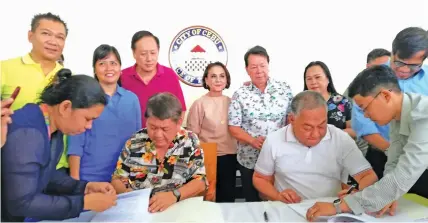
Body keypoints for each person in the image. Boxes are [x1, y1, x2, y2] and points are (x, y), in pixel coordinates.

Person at [306, 65, 428, 221]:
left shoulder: (423, 116)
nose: (365, 115)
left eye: (364, 107)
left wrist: (339, 206)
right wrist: (383, 196)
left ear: (385, 96)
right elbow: (394, 162)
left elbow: (404, 174)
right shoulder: (398, 116)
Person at [1, 69, 117, 221]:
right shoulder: (28, 134)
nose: (89, 126)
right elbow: (21, 203)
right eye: (88, 119)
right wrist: (83, 203)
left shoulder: (50, 126)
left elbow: (44, 175)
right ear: (65, 107)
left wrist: (84, 187)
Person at [253, 91, 377, 203]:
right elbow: (260, 178)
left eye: (322, 126)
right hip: (288, 208)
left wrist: (356, 194)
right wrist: (278, 196)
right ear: (292, 119)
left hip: (330, 207)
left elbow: (368, 176)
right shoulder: (274, 140)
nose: (316, 134)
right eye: (307, 128)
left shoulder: (341, 139)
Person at [111, 93, 207, 213]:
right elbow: (117, 178)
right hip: (139, 211)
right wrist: (127, 195)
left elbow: (200, 181)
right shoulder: (135, 141)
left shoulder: (190, 140)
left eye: (165, 129)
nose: (158, 135)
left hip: (175, 208)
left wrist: (174, 195)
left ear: (178, 123)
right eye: (152, 127)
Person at [228, 45, 294, 202]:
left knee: (279, 202)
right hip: (249, 160)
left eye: (262, 66)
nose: (259, 71)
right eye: (254, 67)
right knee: (253, 204)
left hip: (280, 160)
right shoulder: (240, 94)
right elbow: (233, 127)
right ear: (247, 69)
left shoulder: (284, 89)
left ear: (268, 65)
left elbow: (292, 120)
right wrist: (252, 140)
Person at [68, 44, 141, 182]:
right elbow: (75, 145)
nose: (109, 68)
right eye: (102, 63)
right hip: (90, 178)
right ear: (94, 70)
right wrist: (74, 181)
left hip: (125, 178)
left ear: (120, 68)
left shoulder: (132, 99)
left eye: (113, 63)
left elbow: (138, 142)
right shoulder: (84, 99)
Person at [187, 62, 237, 202]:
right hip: (207, 155)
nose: (218, 80)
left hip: (229, 155)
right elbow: (192, 135)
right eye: (213, 76)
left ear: (227, 80)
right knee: (208, 197)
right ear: (206, 80)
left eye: (222, 76)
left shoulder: (233, 102)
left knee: (227, 197)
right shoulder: (199, 103)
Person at [1, 12, 66, 111]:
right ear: (30, 36)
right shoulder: (4, 68)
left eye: (60, 37)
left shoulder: (68, 78)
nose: (53, 42)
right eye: (46, 34)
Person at [121, 30, 186, 127]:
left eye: (153, 53)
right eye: (143, 54)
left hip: (162, 138)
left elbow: (181, 110)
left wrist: (171, 133)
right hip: (130, 137)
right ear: (134, 53)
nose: (149, 59)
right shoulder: (122, 76)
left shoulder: (169, 75)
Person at [303, 61, 355, 138]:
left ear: (328, 79)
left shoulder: (343, 102)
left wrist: (330, 135)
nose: (313, 82)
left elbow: (354, 130)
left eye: (317, 77)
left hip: (338, 147)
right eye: (309, 79)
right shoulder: (300, 103)